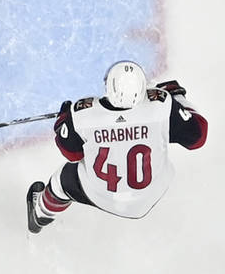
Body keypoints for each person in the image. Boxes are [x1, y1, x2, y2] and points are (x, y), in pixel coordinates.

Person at [26, 62, 209, 232]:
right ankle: (43, 212)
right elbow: (197, 138)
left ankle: (42, 214)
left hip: (100, 194)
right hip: (152, 191)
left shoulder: (83, 114)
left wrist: (63, 122)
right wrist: (177, 97)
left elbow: (71, 153)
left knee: (61, 179)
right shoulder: (161, 105)